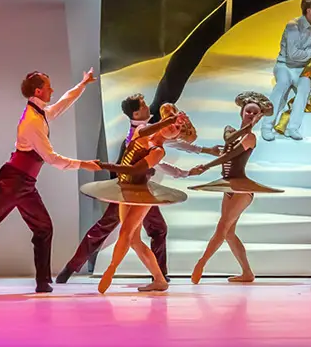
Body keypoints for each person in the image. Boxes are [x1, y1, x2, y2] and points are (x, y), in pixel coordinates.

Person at [0, 69, 101, 295]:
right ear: (38, 91)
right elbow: (51, 158)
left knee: (43, 228)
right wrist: (83, 164)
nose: (52, 90)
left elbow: (61, 104)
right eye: (49, 87)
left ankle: (42, 282)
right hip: (13, 182)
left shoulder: (40, 114)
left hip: (25, 184)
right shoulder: (32, 121)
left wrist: (82, 84)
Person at [56, 95, 219, 284]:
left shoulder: (154, 132)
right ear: (135, 113)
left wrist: (197, 157)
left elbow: (167, 148)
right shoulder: (142, 130)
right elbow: (150, 157)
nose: (147, 106)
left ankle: (159, 275)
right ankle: (73, 268)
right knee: (115, 229)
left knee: (152, 229)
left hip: (140, 188)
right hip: (126, 186)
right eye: (143, 105)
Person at [82, 115, 195, 293]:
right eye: (172, 123)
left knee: (126, 232)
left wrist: (103, 166)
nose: (173, 127)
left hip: (141, 194)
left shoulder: (158, 151)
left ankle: (111, 269)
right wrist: (170, 120)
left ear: (176, 137)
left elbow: (135, 170)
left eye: (178, 128)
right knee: (134, 240)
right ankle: (160, 280)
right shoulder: (142, 130)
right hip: (125, 188)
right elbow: (145, 132)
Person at [188, 91, 282, 283]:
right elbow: (229, 141)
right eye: (248, 111)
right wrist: (248, 126)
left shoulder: (251, 138)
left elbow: (229, 156)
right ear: (241, 112)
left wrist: (206, 166)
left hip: (241, 189)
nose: (251, 115)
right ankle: (247, 273)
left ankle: (201, 263)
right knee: (229, 232)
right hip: (228, 186)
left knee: (223, 227)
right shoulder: (230, 130)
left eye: (255, 113)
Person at [262, 0, 311, 141]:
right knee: (282, 86)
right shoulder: (293, 26)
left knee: (304, 89)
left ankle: (292, 128)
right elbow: (293, 55)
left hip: (303, 68)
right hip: (285, 66)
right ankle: (266, 126)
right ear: (309, 11)